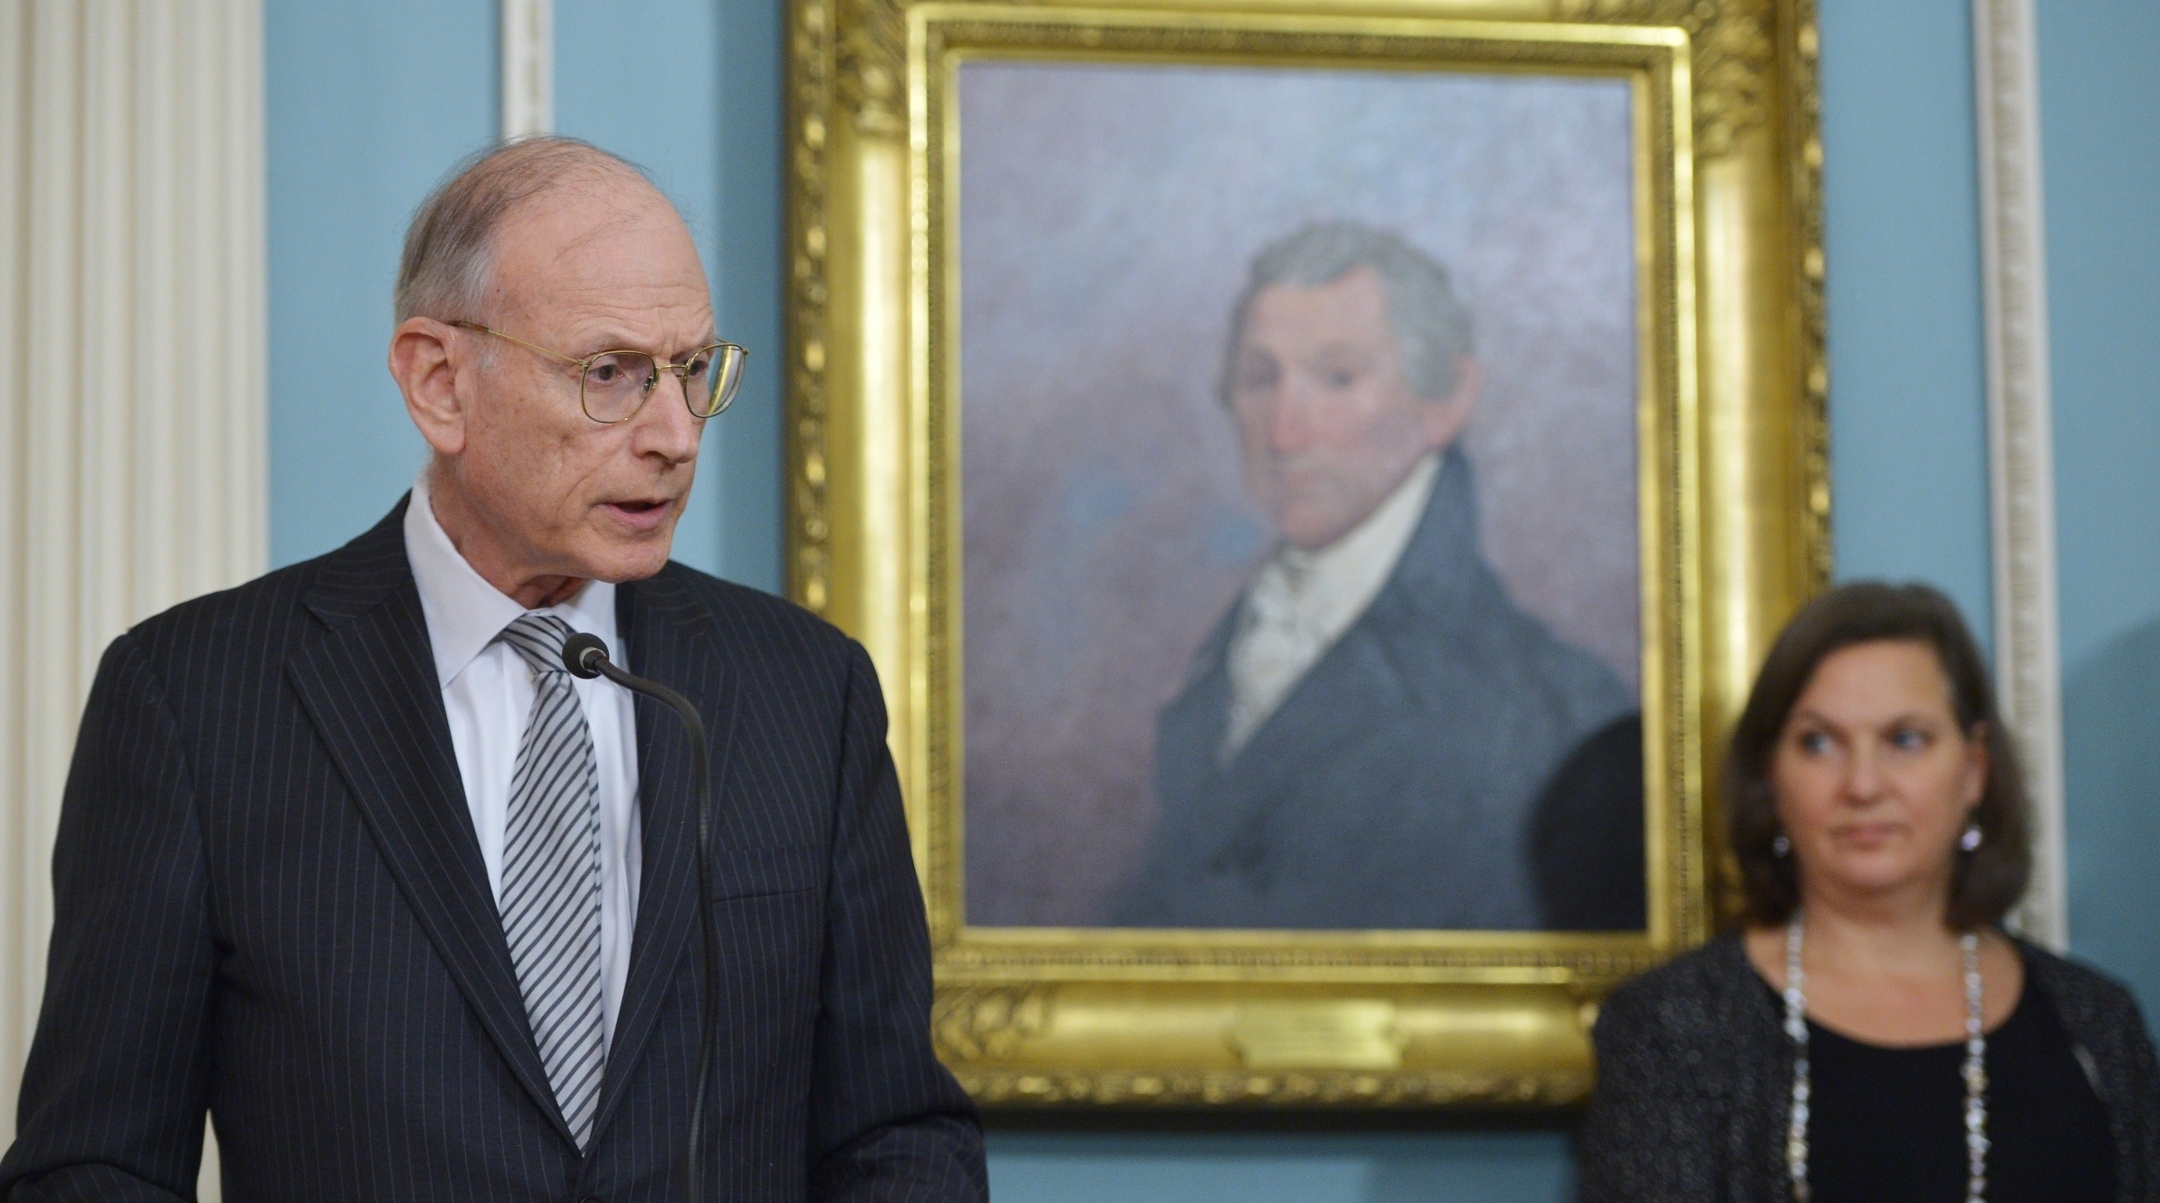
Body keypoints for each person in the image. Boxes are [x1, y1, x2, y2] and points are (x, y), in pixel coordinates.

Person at [0, 138, 986, 1201]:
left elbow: (898, 1138)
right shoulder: (195, 700)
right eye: (609, 373)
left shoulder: (807, 691)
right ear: (440, 381)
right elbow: (93, 1168)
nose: (674, 434)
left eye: (694, 370)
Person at [1113, 219, 1639, 931]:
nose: (1283, 435)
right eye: (1260, 379)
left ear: (1445, 400)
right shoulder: (1227, 649)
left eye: (1337, 377)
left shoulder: (1552, 708)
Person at [1581, 581, 2160, 1202]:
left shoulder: (2097, 1023)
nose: (1862, 784)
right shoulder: (1671, 1028)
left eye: (1905, 739)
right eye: (1819, 742)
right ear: (1771, 775)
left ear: (1974, 769)